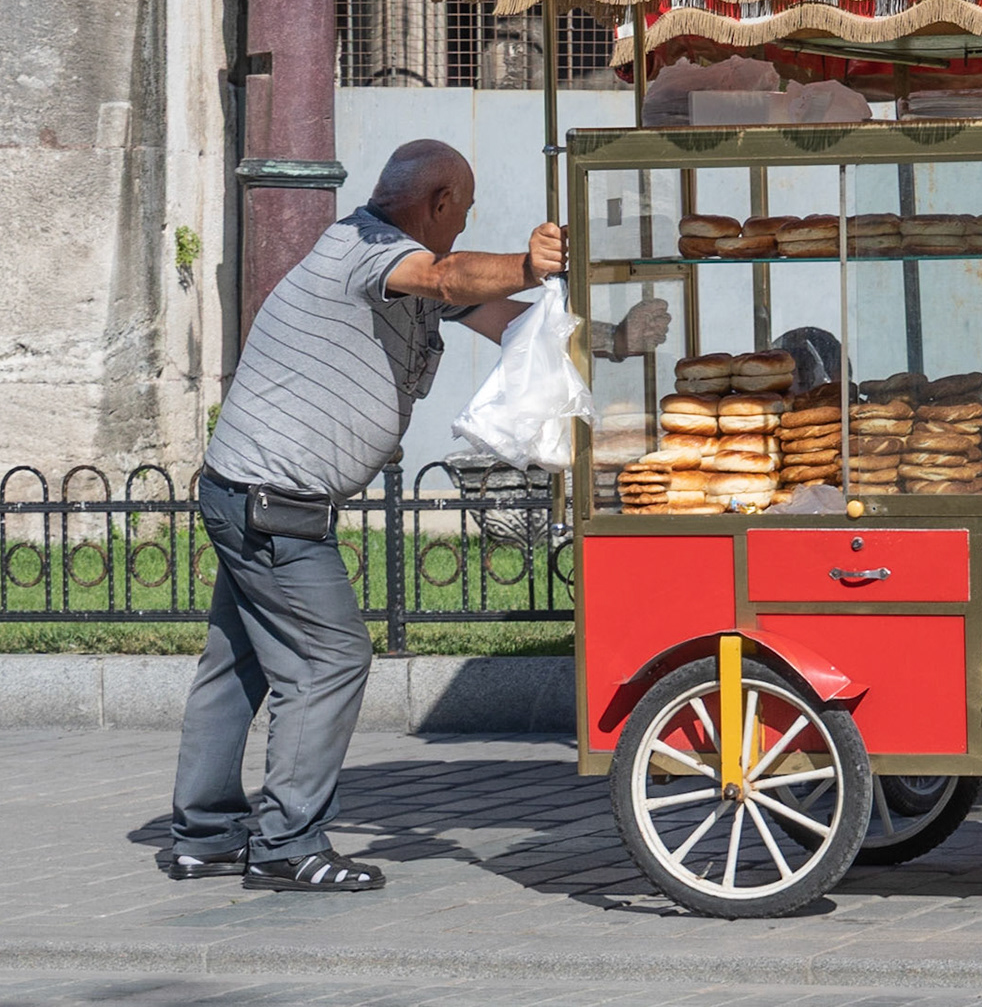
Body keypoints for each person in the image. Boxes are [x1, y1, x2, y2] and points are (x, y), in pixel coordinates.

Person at [170, 139, 668, 893]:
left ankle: (202, 837)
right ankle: (285, 845)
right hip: (274, 502)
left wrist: (617, 342)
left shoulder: (399, 267)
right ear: (436, 204)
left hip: (252, 491)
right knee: (332, 658)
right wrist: (528, 263)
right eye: (460, 213)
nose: (462, 229)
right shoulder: (366, 251)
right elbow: (445, 274)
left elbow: (509, 323)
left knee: (237, 663)